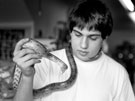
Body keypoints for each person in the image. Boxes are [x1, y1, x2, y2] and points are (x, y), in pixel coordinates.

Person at [12, 0, 135, 101]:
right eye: (78, 34)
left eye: (92, 37)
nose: (83, 45)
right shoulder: (42, 62)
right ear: (70, 33)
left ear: (104, 38)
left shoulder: (118, 73)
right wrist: (27, 76)